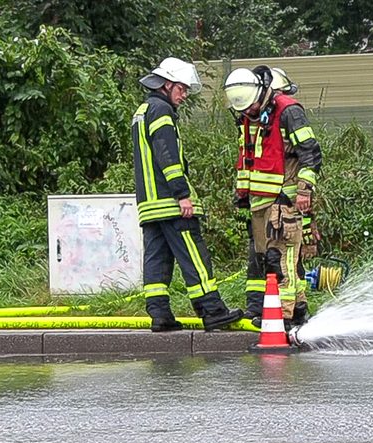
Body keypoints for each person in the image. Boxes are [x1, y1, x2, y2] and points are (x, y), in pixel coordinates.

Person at [132, 57, 243, 332]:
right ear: (167, 84)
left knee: (156, 259)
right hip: (170, 201)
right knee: (194, 255)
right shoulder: (161, 111)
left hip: (149, 204)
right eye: (181, 89)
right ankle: (212, 310)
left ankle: (160, 315)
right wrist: (182, 194)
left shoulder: (143, 109)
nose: (184, 95)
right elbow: (167, 156)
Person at [224, 66, 322, 328]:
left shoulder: (289, 112)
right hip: (260, 201)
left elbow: (311, 153)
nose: (249, 112)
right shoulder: (252, 116)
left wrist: (304, 191)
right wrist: (243, 195)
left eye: (251, 106)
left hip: (284, 200)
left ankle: (287, 316)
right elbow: (250, 159)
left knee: (282, 259)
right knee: (266, 258)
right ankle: (296, 310)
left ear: (262, 92)